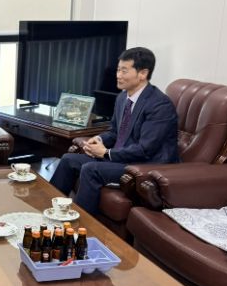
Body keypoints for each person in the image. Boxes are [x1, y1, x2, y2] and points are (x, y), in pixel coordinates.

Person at [50, 47, 179, 215]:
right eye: (118, 70)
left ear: (143, 73)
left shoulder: (160, 105)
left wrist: (106, 153)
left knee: (91, 169)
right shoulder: (122, 98)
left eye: (124, 71)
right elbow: (115, 132)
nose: (118, 75)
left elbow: (145, 149)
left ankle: (81, 226)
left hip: (144, 166)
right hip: (121, 159)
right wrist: (99, 139)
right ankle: (48, 210)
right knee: (68, 159)